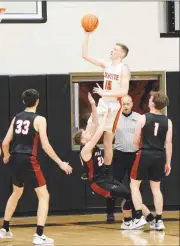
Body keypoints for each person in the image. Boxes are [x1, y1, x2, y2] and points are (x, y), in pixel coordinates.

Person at [0, 89, 72, 245]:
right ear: (37, 101)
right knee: (44, 195)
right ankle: (39, 234)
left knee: (16, 192)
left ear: (23, 101)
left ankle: (4, 229)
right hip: (28, 159)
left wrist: (6, 156)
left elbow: (5, 142)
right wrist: (60, 162)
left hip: (15, 158)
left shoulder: (16, 118)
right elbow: (45, 145)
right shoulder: (39, 119)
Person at [74, 93, 143, 230]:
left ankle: (127, 221)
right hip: (98, 183)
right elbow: (99, 130)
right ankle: (130, 220)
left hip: (105, 177)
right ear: (82, 140)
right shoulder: (87, 148)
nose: (88, 133)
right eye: (85, 134)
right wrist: (108, 116)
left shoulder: (89, 143)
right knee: (128, 194)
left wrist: (93, 105)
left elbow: (94, 123)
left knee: (129, 194)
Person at [82, 31, 130, 181]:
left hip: (115, 105)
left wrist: (104, 92)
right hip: (103, 103)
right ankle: (88, 166)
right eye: (113, 48)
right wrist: (87, 35)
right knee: (89, 132)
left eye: (115, 49)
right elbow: (85, 55)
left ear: (121, 54)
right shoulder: (106, 64)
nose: (112, 50)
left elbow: (124, 91)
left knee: (108, 140)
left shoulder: (123, 68)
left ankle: (106, 172)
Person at [106, 95, 155, 226]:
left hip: (135, 156)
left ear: (132, 103)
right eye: (123, 104)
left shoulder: (139, 118)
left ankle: (135, 214)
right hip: (119, 156)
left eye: (128, 103)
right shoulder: (115, 119)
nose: (126, 106)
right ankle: (110, 213)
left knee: (136, 187)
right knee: (113, 185)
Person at [130, 91, 172, 230]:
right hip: (159, 155)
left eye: (150, 98)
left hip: (145, 153)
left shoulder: (143, 118)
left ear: (153, 103)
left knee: (134, 185)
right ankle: (159, 220)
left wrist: (140, 147)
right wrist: (168, 162)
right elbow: (169, 143)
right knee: (156, 189)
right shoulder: (168, 121)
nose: (148, 100)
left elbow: (136, 139)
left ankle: (137, 218)